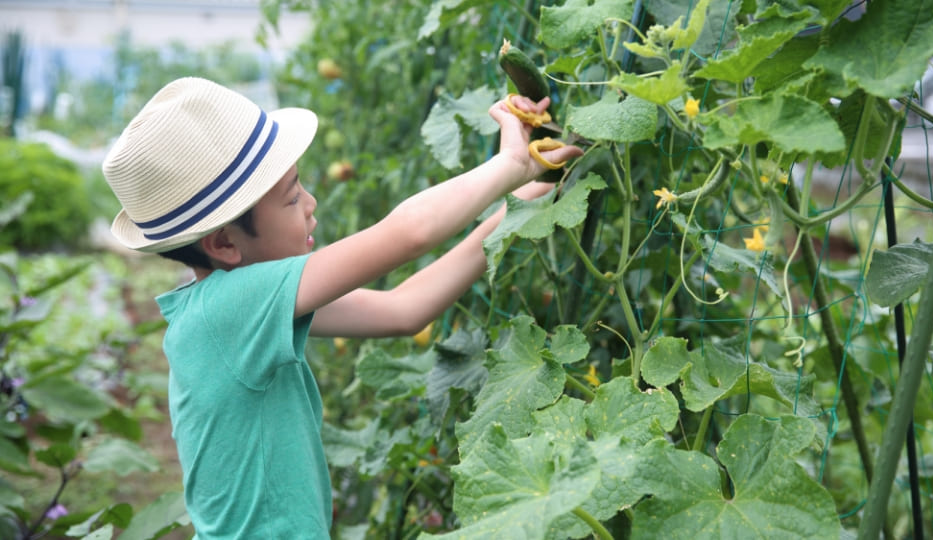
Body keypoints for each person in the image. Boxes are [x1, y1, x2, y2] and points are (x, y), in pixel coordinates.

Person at [100, 76, 582, 539]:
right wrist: (511, 165)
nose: (310, 204)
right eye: (290, 200)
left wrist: (516, 204)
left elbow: (404, 309)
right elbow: (409, 234)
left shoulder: (236, 308)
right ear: (224, 242)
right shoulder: (230, 308)